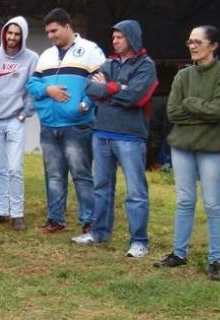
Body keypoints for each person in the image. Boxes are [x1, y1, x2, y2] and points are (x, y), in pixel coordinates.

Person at [154, 25, 220, 281]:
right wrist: (202, 112)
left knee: (213, 205)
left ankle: (216, 260)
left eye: (197, 41)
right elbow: (173, 113)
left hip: (214, 149)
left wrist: (190, 104)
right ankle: (179, 254)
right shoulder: (183, 76)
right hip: (182, 147)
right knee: (184, 201)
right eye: (189, 41)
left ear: (212, 45)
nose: (191, 45)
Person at [71, 20, 158, 259]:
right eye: (114, 37)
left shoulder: (146, 66)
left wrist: (108, 90)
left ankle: (139, 240)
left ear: (132, 37)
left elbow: (135, 98)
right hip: (102, 133)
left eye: (120, 37)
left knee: (136, 192)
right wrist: (117, 88)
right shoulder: (108, 63)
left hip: (130, 136)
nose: (115, 41)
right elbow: (90, 89)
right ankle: (99, 232)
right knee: (101, 187)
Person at [26, 8, 105, 234]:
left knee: (81, 174)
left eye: (54, 31)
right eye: (48, 32)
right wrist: (48, 89)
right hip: (50, 125)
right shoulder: (46, 56)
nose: (51, 36)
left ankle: (89, 221)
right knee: (53, 174)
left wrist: (85, 104)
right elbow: (31, 85)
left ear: (67, 26)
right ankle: (55, 220)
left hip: (77, 125)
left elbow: (100, 81)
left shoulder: (90, 50)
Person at [0, 16, 39, 231]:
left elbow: (34, 87)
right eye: (9, 33)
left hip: (15, 120)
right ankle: (1, 211)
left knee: (15, 167)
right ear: (4, 33)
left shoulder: (32, 58)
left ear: (22, 36)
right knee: (0, 167)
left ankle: (17, 213)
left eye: (17, 34)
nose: (12, 37)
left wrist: (25, 114)